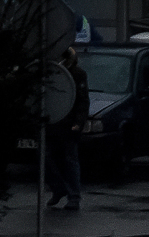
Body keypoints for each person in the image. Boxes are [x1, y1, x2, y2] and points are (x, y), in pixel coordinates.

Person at [46, 47, 90, 211]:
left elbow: (82, 101)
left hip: (68, 124)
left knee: (70, 161)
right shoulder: (51, 71)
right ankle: (59, 188)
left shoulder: (77, 74)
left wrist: (78, 122)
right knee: (45, 159)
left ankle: (73, 196)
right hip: (52, 123)